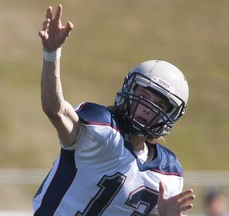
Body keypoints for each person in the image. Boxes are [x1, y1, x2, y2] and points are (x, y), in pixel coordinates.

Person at [33, 4, 195, 216]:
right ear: (129, 91)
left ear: (169, 116)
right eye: (144, 97)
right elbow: (55, 109)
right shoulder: (102, 131)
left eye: (158, 106)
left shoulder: (168, 174)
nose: (147, 108)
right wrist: (51, 54)